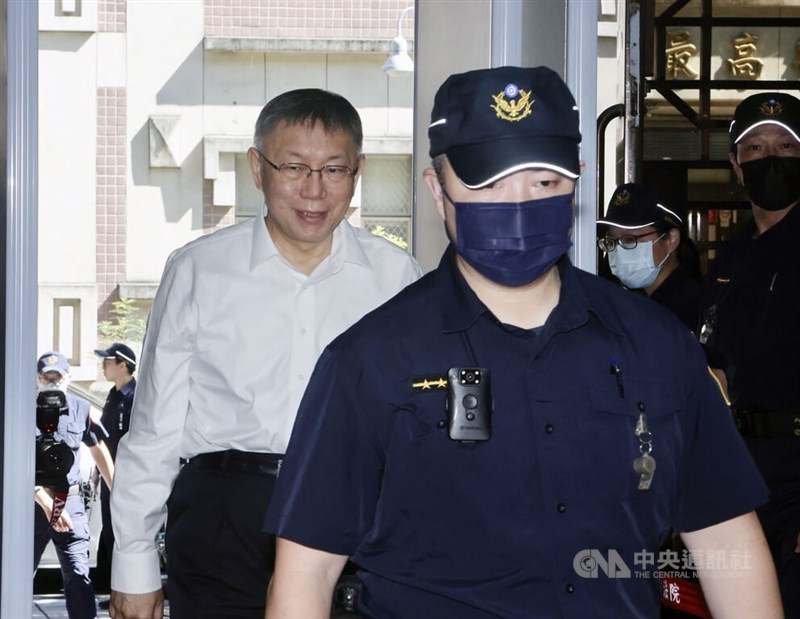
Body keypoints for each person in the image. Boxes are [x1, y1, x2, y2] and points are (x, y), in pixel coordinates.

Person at [264, 66, 782, 618]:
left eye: (543, 183)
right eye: (488, 184)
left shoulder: (657, 346)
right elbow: (307, 572)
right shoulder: (371, 361)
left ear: (578, 181)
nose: (517, 205)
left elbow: (726, 540)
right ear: (438, 189)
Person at [108, 88, 421, 619]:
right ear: (258, 168)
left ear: (358, 171)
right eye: (294, 167)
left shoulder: (398, 279)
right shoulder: (198, 269)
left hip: (358, 519)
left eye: (334, 170)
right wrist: (133, 561)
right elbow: (155, 426)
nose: (314, 190)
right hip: (224, 517)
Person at [699, 91, 800, 617]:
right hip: (742, 472)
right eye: (756, 148)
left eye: (786, 146)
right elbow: (715, 359)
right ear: (737, 167)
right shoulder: (733, 258)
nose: (772, 158)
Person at [34, 351, 114, 619]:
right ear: (38, 378)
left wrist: (117, 491)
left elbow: (98, 447)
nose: (53, 382)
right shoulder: (19, 406)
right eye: (48, 377)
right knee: (17, 576)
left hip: (70, 502)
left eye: (58, 377)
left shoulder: (81, 408)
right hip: (32, 503)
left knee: (79, 575)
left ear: (68, 378)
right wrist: (45, 502)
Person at [597, 182, 702, 333]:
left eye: (629, 239)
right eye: (612, 241)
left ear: (671, 240)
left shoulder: (685, 310)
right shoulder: (635, 301)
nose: (619, 249)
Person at [91, 343, 137, 598]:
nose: (103, 367)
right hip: (110, 477)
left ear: (122, 365)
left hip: (127, 479)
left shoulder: (136, 396)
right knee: (109, 532)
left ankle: (125, 591)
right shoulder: (112, 395)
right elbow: (105, 438)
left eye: (107, 362)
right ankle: (112, 591)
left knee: (124, 534)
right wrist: (99, 472)